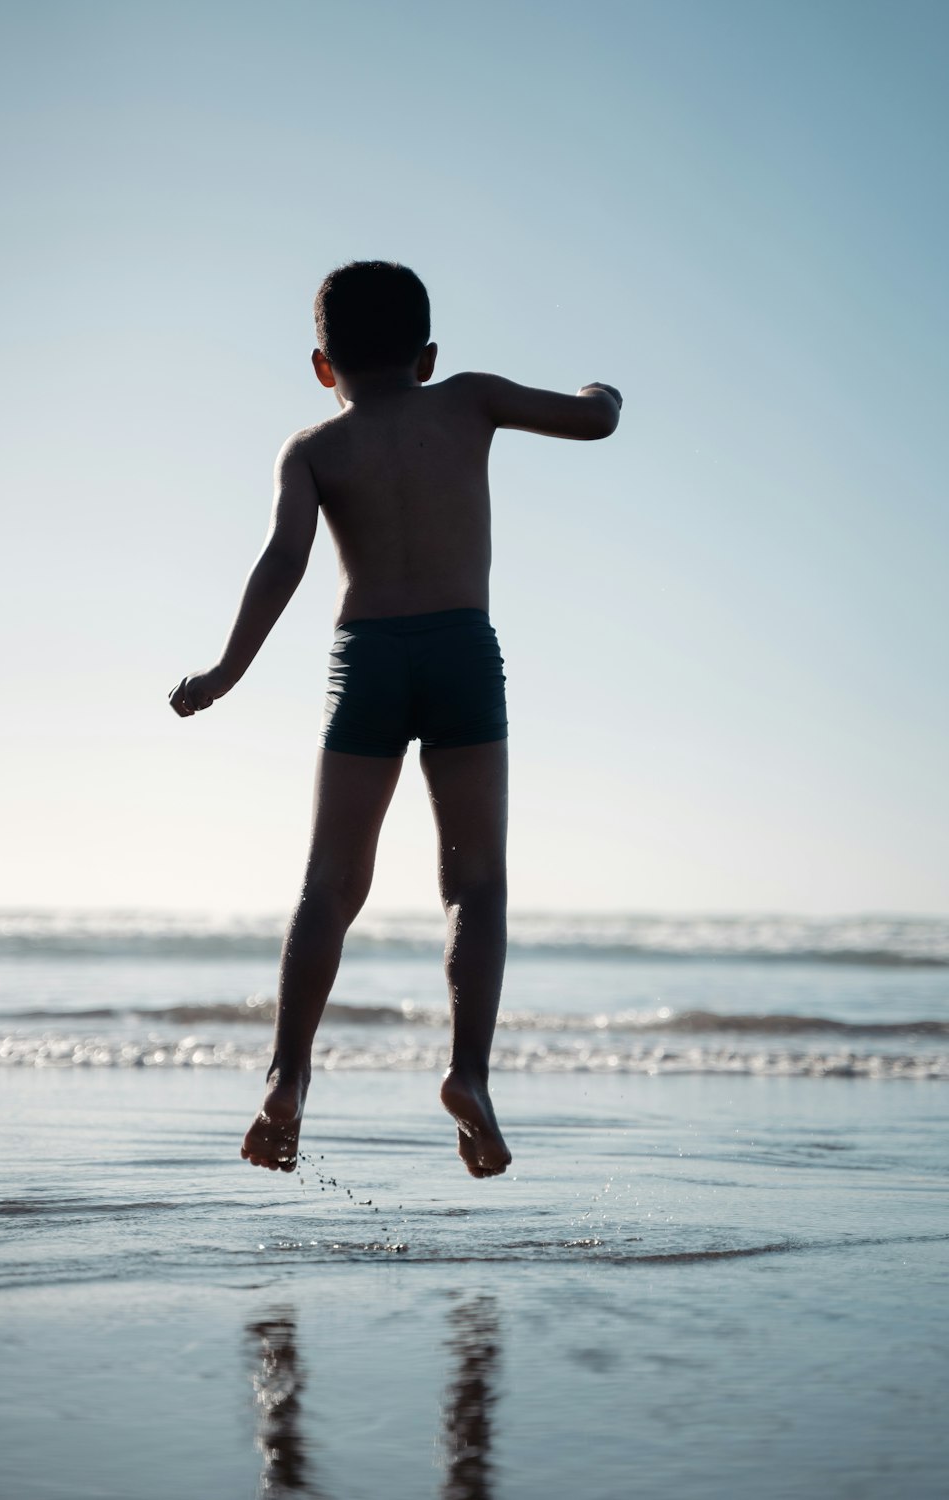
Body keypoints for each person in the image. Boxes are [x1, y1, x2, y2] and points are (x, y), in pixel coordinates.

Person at [169, 261, 622, 1177]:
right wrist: (601, 390)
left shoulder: (311, 451)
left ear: (321, 366)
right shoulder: (470, 399)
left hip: (366, 660)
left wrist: (224, 671)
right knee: (476, 884)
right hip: (460, 653)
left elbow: (282, 564)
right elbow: (595, 419)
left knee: (328, 885)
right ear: (427, 356)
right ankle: (468, 1075)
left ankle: (288, 1078)